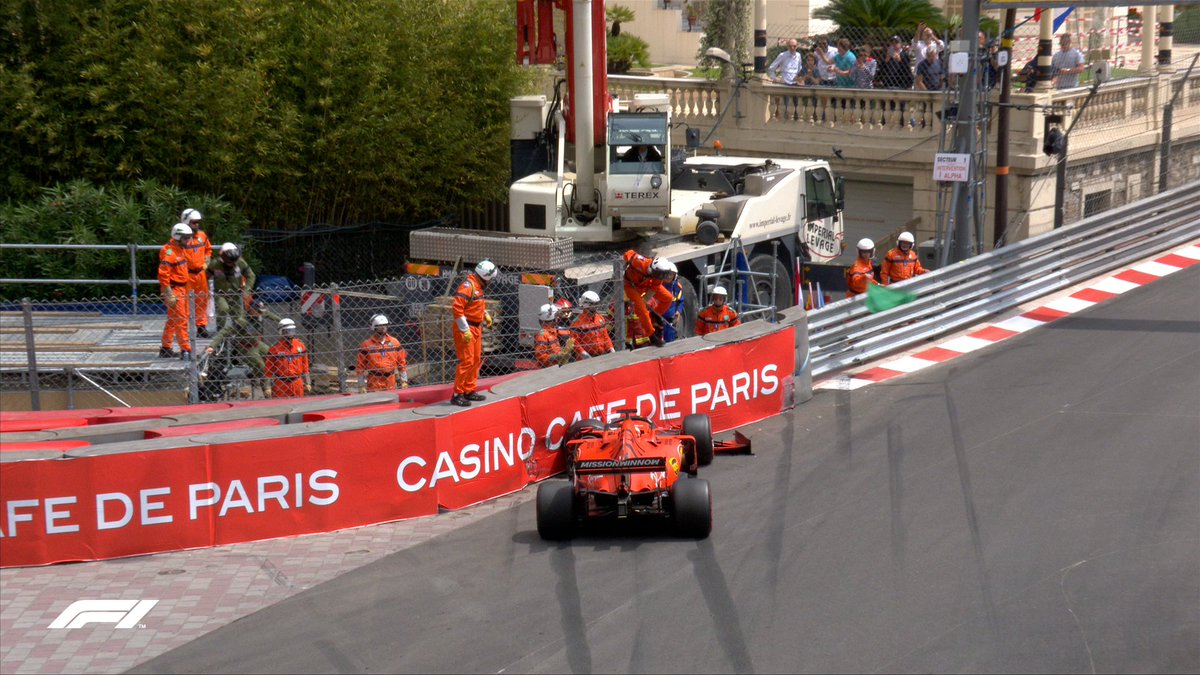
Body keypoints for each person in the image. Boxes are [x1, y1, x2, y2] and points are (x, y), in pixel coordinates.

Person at [450, 260, 496, 407]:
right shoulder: (468, 286)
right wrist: (465, 330)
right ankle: (457, 394)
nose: (491, 282)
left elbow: (474, 305)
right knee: (467, 361)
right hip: (466, 328)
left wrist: (485, 314)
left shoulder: (477, 286)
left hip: (475, 327)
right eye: (490, 279)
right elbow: (457, 309)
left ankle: (469, 390)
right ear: (485, 277)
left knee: (475, 359)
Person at [205, 313, 274, 398]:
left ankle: (254, 374)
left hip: (257, 344)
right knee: (261, 366)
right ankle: (266, 389)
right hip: (246, 348)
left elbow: (268, 315)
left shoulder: (254, 317)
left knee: (273, 354)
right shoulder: (237, 325)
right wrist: (212, 346)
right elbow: (222, 333)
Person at [622, 249, 675, 345]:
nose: (661, 277)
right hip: (631, 286)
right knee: (641, 309)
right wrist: (623, 265)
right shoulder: (640, 262)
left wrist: (645, 299)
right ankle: (651, 335)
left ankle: (655, 314)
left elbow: (654, 287)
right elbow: (629, 254)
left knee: (668, 298)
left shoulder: (659, 275)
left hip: (646, 285)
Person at [158, 223, 193, 359]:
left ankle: (166, 347)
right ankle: (186, 350)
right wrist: (169, 294)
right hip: (174, 290)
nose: (188, 241)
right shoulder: (170, 253)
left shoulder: (179, 250)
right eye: (186, 238)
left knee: (173, 320)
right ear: (178, 237)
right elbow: (163, 275)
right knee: (181, 320)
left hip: (181, 288)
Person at [208, 242, 255, 329]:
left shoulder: (240, 263)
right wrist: (205, 289)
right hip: (220, 294)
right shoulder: (215, 264)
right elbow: (205, 276)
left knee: (239, 318)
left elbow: (251, 276)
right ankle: (220, 331)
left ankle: (239, 333)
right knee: (223, 309)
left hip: (236, 294)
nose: (232, 264)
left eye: (234, 262)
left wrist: (247, 290)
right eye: (229, 262)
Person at [180, 208, 212, 338]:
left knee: (202, 300)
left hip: (200, 274)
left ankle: (201, 326)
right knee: (185, 302)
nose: (197, 225)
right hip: (186, 275)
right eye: (194, 222)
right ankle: (184, 329)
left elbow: (208, 249)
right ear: (186, 222)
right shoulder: (180, 238)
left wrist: (207, 261)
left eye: (198, 222)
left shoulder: (202, 236)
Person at [357, 314, 408, 393]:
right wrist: (361, 385)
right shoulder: (366, 345)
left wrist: (404, 380)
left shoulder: (394, 342)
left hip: (391, 381)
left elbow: (402, 362)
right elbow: (360, 366)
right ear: (373, 327)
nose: (383, 327)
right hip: (374, 383)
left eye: (385, 325)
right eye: (379, 325)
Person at [264, 318, 312, 399]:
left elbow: (305, 366)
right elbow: (268, 369)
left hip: (297, 382)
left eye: (292, 331)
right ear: (281, 332)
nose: (290, 333)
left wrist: (308, 382)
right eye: (287, 331)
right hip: (281, 383)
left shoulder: (300, 346)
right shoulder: (274, 349)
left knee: (299, 404)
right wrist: (267, 387)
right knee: (281, 404)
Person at [571, 291, 615, 359]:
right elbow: (575, 342)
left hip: (601, 355)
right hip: (585, 358)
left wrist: (611, 348)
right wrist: (585, 355)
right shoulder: (577, 322)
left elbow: (605, 337)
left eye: (597, 303)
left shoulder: (600, 318)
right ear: (586, 305)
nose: (596, 306)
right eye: (593, 304)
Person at [660, 268, 685, 343]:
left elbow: (681, 301)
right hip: (658, 320)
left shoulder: (677, 287)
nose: (668, 276)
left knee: (670, 342)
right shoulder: (658, 285)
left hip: (671, 320)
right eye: (667, 274)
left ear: (674, 275)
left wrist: (678, 311)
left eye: (671, 274)